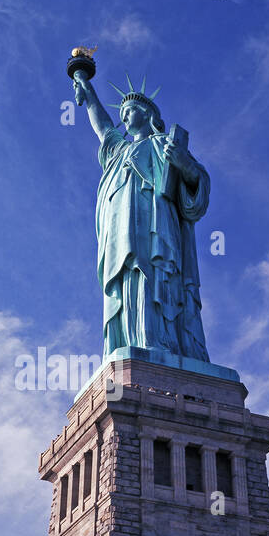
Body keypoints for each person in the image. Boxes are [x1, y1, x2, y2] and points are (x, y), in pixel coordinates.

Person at [72, 73, 211, 363]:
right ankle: (133, 340)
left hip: (157, 228)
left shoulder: (163, 144)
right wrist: (88, 92)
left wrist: (184, 164)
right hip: (121, 233)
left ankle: (160, 343)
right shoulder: (118, 151)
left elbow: (196, 186)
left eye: (130, 111)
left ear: (147, 114)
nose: (124, 117)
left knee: (154, 274)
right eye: (121, 113)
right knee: (129, 279)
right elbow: (104, 128)